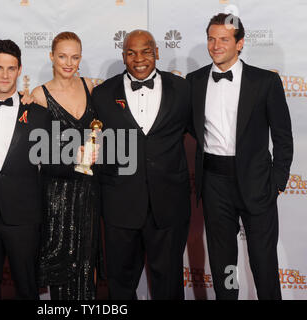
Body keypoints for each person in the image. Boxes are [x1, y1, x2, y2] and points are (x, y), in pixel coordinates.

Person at [186, 13, 293, 300]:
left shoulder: (265, 82)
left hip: (257, 183)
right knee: (224, 265)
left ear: (240, 43)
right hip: (213, 183)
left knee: (264, 262)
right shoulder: (194, 82)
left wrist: (277, 183)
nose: (216, 45)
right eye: (211, 38)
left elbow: (283, 137)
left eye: (224, 39)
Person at [92, 30, 191, 300]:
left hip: (169, 204)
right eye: (131, 52)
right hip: (120, 205)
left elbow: (206, 134)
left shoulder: (183, 89)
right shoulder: (101, 94)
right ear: (123, 56)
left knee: (169, 283)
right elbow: (93, 146)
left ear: (157, 52)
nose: (139, 59)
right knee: (120, 284)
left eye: (146, 51)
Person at [0, 39, 50, 299]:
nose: (5, 75)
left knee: (28, 290)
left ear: (19, 69)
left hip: (24, 217)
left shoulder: (38, 114)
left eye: (11, 68)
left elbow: (55, 161)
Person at [30, 31, 102, 300]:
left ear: (80, 58)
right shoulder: (38, 95)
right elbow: (37, 150)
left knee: (87, 263)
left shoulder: (92, 87)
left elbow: (104, 131)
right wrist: (72, 154)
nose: (68, 62)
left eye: (74, 57)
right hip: (57, 193)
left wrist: (101, 148)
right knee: (61, 265)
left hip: (89, 191)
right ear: (51, 56)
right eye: (62, 56)